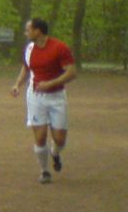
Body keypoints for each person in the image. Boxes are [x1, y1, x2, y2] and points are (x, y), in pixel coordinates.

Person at [10, 17, 78, 184]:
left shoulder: (60, 48)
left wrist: (50, 84)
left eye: (28, 30)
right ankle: (44, 171)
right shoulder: (29, 49)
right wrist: (18, 84)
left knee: (60, 139)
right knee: (40, 137)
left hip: (56, 97)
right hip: (36, 97)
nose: (26, 33)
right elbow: (26, 68)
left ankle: (55, 152)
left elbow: (71, 73)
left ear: (37, 31)